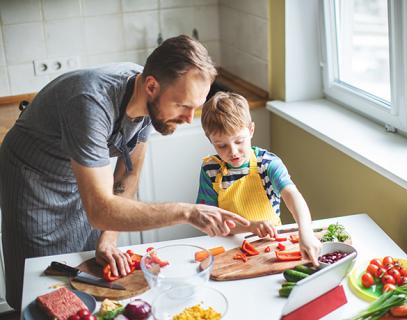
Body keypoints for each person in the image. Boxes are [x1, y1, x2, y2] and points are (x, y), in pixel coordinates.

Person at [0, 35, 249, 310]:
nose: (190, 119)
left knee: (80, 274)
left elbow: (126, 178)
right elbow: (100, 209)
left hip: (76, 177)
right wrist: (187, 212)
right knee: (42, 285)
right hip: (33, 180)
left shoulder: (149, 98)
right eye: (183, 106)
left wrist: (109, 237)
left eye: (196, 107)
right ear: (152, 85)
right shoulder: (89, 103)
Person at [196, 91, 321, 264]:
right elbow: (209, 220)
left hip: (271, 245)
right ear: (210, 139)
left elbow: (292, 195)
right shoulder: (210, 170)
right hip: (228, 246)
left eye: (239, 141)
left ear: (251, 130)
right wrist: (250, 226)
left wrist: (305, 231)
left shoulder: (268, 164)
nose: (233, 151)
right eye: (222, 145)